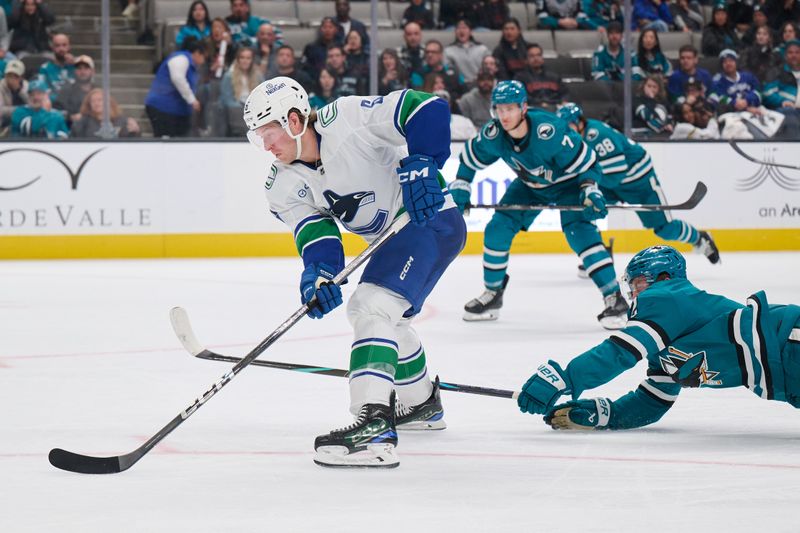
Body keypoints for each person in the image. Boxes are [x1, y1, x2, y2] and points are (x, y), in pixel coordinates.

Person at [244, 77, 466, 468]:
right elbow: (316, 232)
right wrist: (319, 272)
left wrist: (424, 163)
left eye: (270, 132)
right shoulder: (282, 182)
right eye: (258, 136)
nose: (266, 145)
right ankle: (420, 404)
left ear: (295, 120)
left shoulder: (345, 119)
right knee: (387, 318)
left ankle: (374, 426)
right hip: (394, 238)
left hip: (428, 219)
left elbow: (426, 107)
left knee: (370, 307)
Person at [516, 245, 800, 432]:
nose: (634, 294)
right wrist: (607, 414)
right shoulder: (664, 345)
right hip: (786, 370)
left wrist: (567, 378)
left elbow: (620, 352)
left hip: (788, 342)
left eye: (638, 283)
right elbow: (652, 402)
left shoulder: (667, 296)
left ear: (663, 276)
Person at [448, 80, 628, 329]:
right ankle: (493, 294)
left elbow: (586, 164)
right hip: (529, 186)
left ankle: (614, 298)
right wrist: (461, 186)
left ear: (523, 107)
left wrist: (589, 190)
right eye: (499, 109)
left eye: (510, 108)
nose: (504, 115)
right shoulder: (494, 134)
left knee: (580, 233)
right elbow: (469, 159)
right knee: (497, 229)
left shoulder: (550, 131)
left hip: (568, 184)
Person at [558, 102, 720, 265]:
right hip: (613, 183)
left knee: (665, 229)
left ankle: (700, 239)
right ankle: (599, 252)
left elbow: (616, 172)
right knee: (587, 208)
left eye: (568, 126)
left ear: (579, 121)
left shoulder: (597, 135)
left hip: (639, 183)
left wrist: (586, 183)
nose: (566, 132)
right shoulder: (576, 138)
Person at [144, 40, 207, 138]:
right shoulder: (181, 59)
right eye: (204, 57)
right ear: (198, 53)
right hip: (163, 108)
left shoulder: (194, 68)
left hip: (178, 112)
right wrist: (192, 100)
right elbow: (178, 78)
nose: (205, 61)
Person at [763, 39, 800, 138]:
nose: (794, 55)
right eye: (790, 52)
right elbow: (767, 94)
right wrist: (783, 101)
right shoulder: (776, 72)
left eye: (797, 52)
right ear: (785, 55)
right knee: (789, 114)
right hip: (784, 110)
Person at [514, 43, 567, 110]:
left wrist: (564, 102)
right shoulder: (520, 78)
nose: (536, 58)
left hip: (556, 108)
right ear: (526, 60)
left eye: (538, 55)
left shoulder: (554, 76)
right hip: (533, 110)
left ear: (542, 57)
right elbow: (522, 97)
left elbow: (565, 93)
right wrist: (540, 104)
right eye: (532, 56)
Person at [69, 88, 140, 138]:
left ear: (109, 102)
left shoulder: (122, 121)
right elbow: (74, 141)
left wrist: (135, 132)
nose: (96, 103)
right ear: (89, 104)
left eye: (100, 100)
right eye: (93, 101)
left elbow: (131, 143)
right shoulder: (83, 122)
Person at [709, 49, 761, 114]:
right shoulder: (717, 81)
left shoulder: (748, 76)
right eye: (725, 62)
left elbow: (759, 91)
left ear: (736, 62)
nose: (728, 63)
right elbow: (720, 98)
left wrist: (747, 101)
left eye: (731, 60)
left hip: (754, 108)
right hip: (732, 114)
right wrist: (744, 108)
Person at [444, 19, 490, 85]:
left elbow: (490, 68)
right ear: (455, 32)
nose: (461, 31)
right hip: (459, 85)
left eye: (464, 28)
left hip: (480, 84)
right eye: (458, 28)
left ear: (470, 32)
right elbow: (448, 71)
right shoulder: (448, 50)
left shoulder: (482, 49)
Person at [53, 54, 95, 124]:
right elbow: (57, 111)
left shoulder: (98, 92)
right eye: (79, 68)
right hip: (71, 129)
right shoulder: (66, 90)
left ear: (93, 71)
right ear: (74, 71)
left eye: (86, 68)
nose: (82, 72)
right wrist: (70, 117)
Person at [37, 33, 74, 99]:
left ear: (69, 46)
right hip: (53, 106)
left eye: (64, 45)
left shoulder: (77, 67)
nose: (61, 49)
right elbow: (42, 91)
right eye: (57, 45)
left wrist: (75, 63)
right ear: (52, 48)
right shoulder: (45, 68)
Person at [0, 59, 28, 130]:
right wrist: (20, 110)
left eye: (16, 76)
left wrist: (19, 90)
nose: (12, 78)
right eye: (9, 75)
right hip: (5, 121)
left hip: (24, 119)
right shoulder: (1, 86)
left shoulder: (26, 86)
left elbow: (32, 105)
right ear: (5, 75)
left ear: (21, 77)